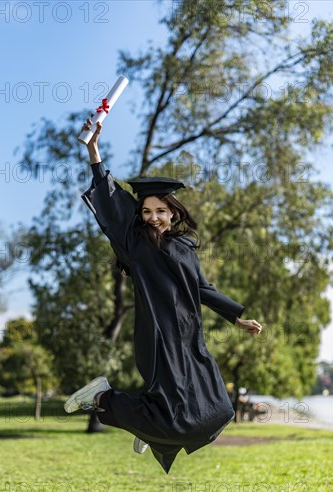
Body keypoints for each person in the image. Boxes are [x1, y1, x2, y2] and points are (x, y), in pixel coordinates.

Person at [64, 120, 263, 473]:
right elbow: (109, 197)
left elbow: (201, 288)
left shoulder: (185, 247)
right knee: (176, 415)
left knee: (220, 410)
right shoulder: (135, 242)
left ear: (172, 213)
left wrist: (236, 317)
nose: (152, 217)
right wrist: (94, 150)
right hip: (159, 334)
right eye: (146, 211)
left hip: (190, 335)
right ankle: (103, 397)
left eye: (159, 211)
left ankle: (150, 428)